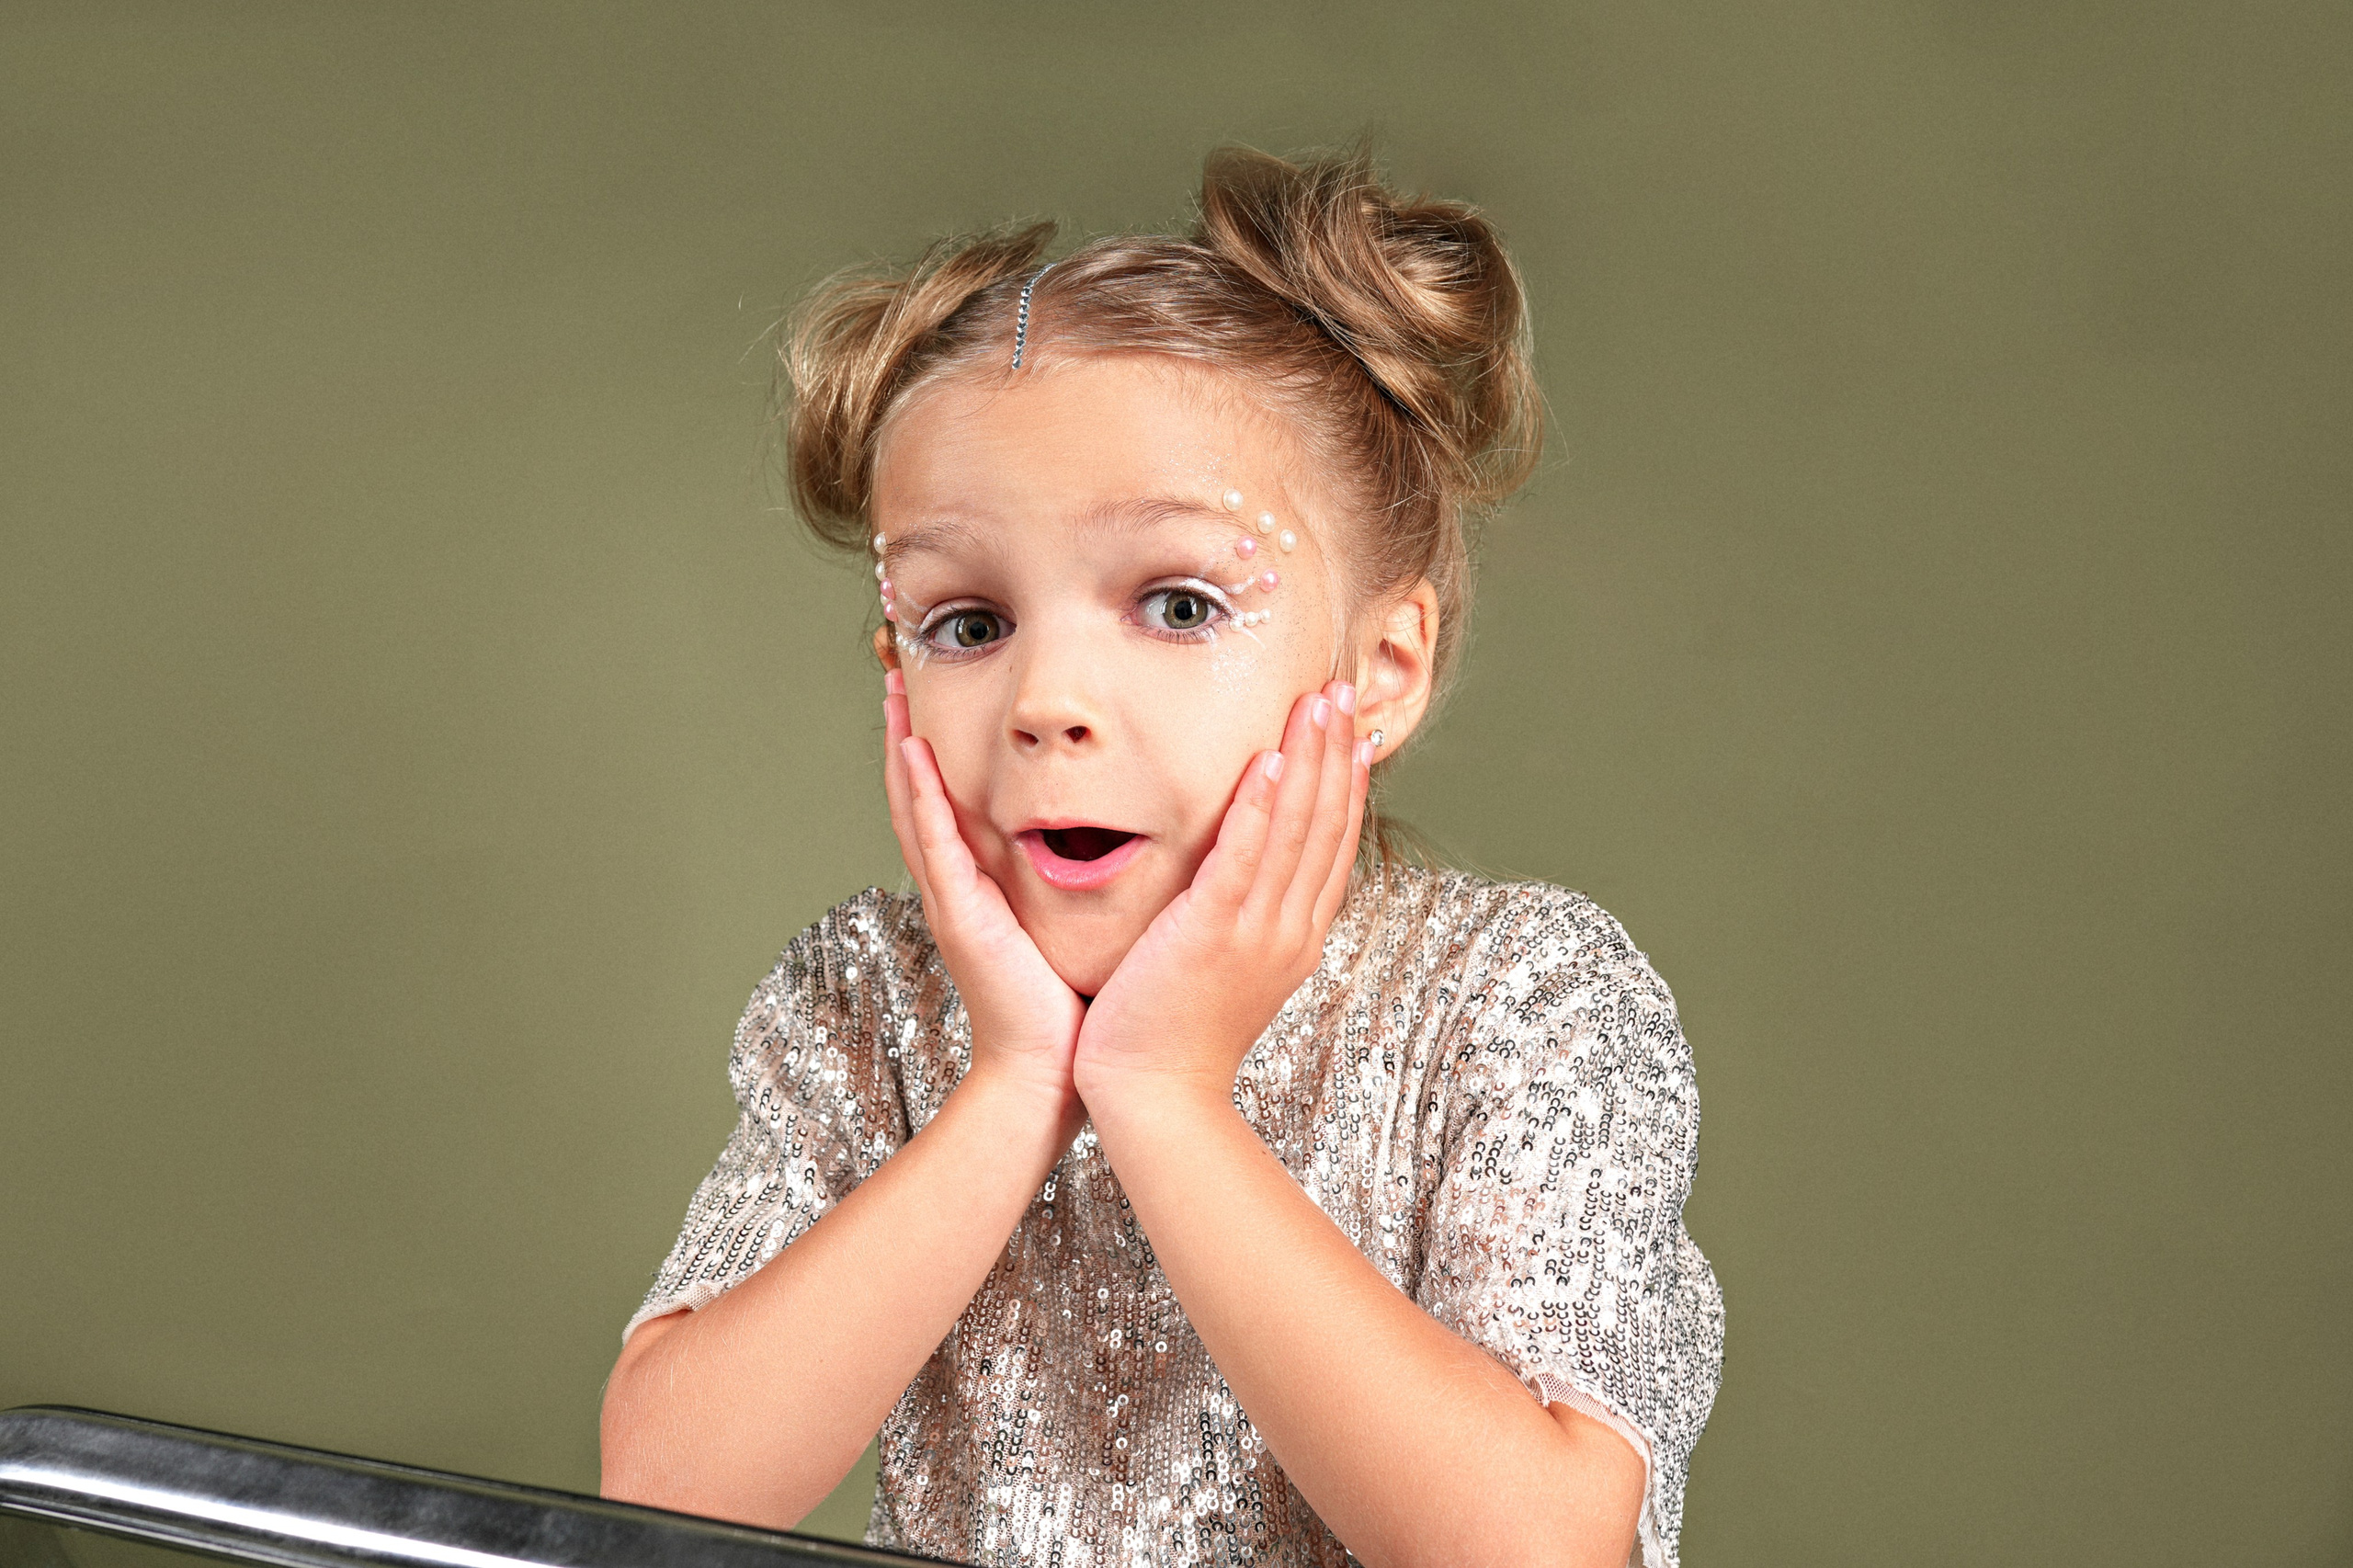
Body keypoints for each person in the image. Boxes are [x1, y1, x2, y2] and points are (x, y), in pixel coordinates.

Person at [598, 146, 1722, 1568]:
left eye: (1178, 603)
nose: (1048, 701)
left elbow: (1534, 1549)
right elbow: (665, 1488)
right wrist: (1012, 1082)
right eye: (967, 621)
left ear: (1379, 669)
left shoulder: (1515, 999)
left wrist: (1162, 1091)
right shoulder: (875, 996)